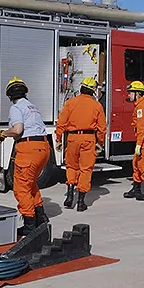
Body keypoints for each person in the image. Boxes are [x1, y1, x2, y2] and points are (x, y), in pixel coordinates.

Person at [0, 77, 51, 236]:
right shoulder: (32, 107)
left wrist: (3, 134)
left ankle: (29, 225)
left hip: (28, 149)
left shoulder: (16, 107)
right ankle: (41, 218)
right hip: (43, 148)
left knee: (21, 188)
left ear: (9, 95)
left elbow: (18, 130)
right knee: (31, 184)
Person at [55, 77, 107, 211]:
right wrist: (100, 142)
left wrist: (59, 139)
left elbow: (61, 122)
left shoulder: (70, 103)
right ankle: (81, 202)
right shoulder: (97, 106)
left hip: (72, 138)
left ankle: (69, 195)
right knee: (86, 169)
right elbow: (102, 128)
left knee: (71, 166)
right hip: (89, 139)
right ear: (93, 91)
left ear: (81, 88)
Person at [122, 81, 144, 201]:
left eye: (131, 93)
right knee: (136, 162)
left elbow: (141, 128)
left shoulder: (141, 107)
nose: (129, 95)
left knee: (143, 163)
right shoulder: (141, 104)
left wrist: (139, 145)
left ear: (137, 93)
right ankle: (136, 189)